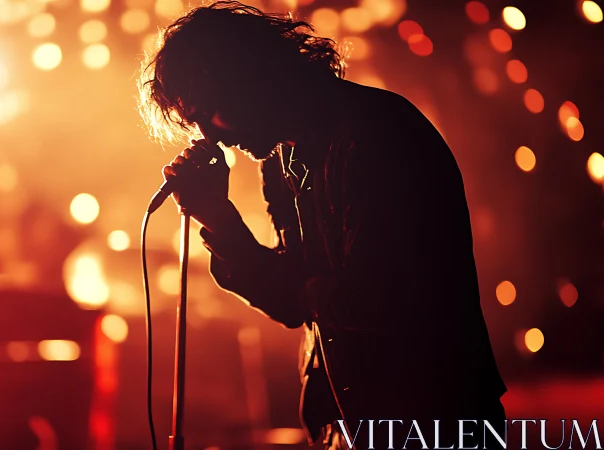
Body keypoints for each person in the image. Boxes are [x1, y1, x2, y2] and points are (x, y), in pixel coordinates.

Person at [138, 2, 507, 448]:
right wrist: (219, 219)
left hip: (430, 415)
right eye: (195, 122)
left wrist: (295, 284)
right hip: (345, 422)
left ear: (245, 77)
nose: (209, 136)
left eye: (209, 110)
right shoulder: (279, 159)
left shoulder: (375, 135)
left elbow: (370, 299)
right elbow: (294, 303)